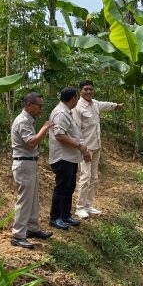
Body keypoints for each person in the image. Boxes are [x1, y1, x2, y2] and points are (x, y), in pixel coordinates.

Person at [72, 79, 123, 219]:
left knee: (94, 178)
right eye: (85, 89)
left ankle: (89, 205)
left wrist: (117, 106)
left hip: (96, 146)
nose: (88, 91)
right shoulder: (78, 107)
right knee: (85, 177)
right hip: (85, 148)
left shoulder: (94, 104)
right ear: (80, 91)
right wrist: (83, 149)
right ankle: (80, 207)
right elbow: (76, 131)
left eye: (90, 89)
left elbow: (105, 105)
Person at [9, 92, 54, 248]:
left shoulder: (29, 120)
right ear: (29, 105)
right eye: (39, 106)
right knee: (25, 200)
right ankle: (18, 234)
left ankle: (32, 228)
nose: (40, 109)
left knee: (33, 198)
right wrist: (45, 128)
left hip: (30, 163)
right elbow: (31, 143)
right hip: (24, 164)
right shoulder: (22, 121)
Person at [47, 86, 90, 230]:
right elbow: (60, 135)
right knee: (62, 187)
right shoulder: (60, 113)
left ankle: (65, 214)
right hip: (62, 157)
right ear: (73, 99)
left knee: (69, 186)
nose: (77, 100)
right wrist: (79, 146)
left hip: (70, 157)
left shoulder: (67, 112)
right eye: (77, 98)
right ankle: (55, 217)